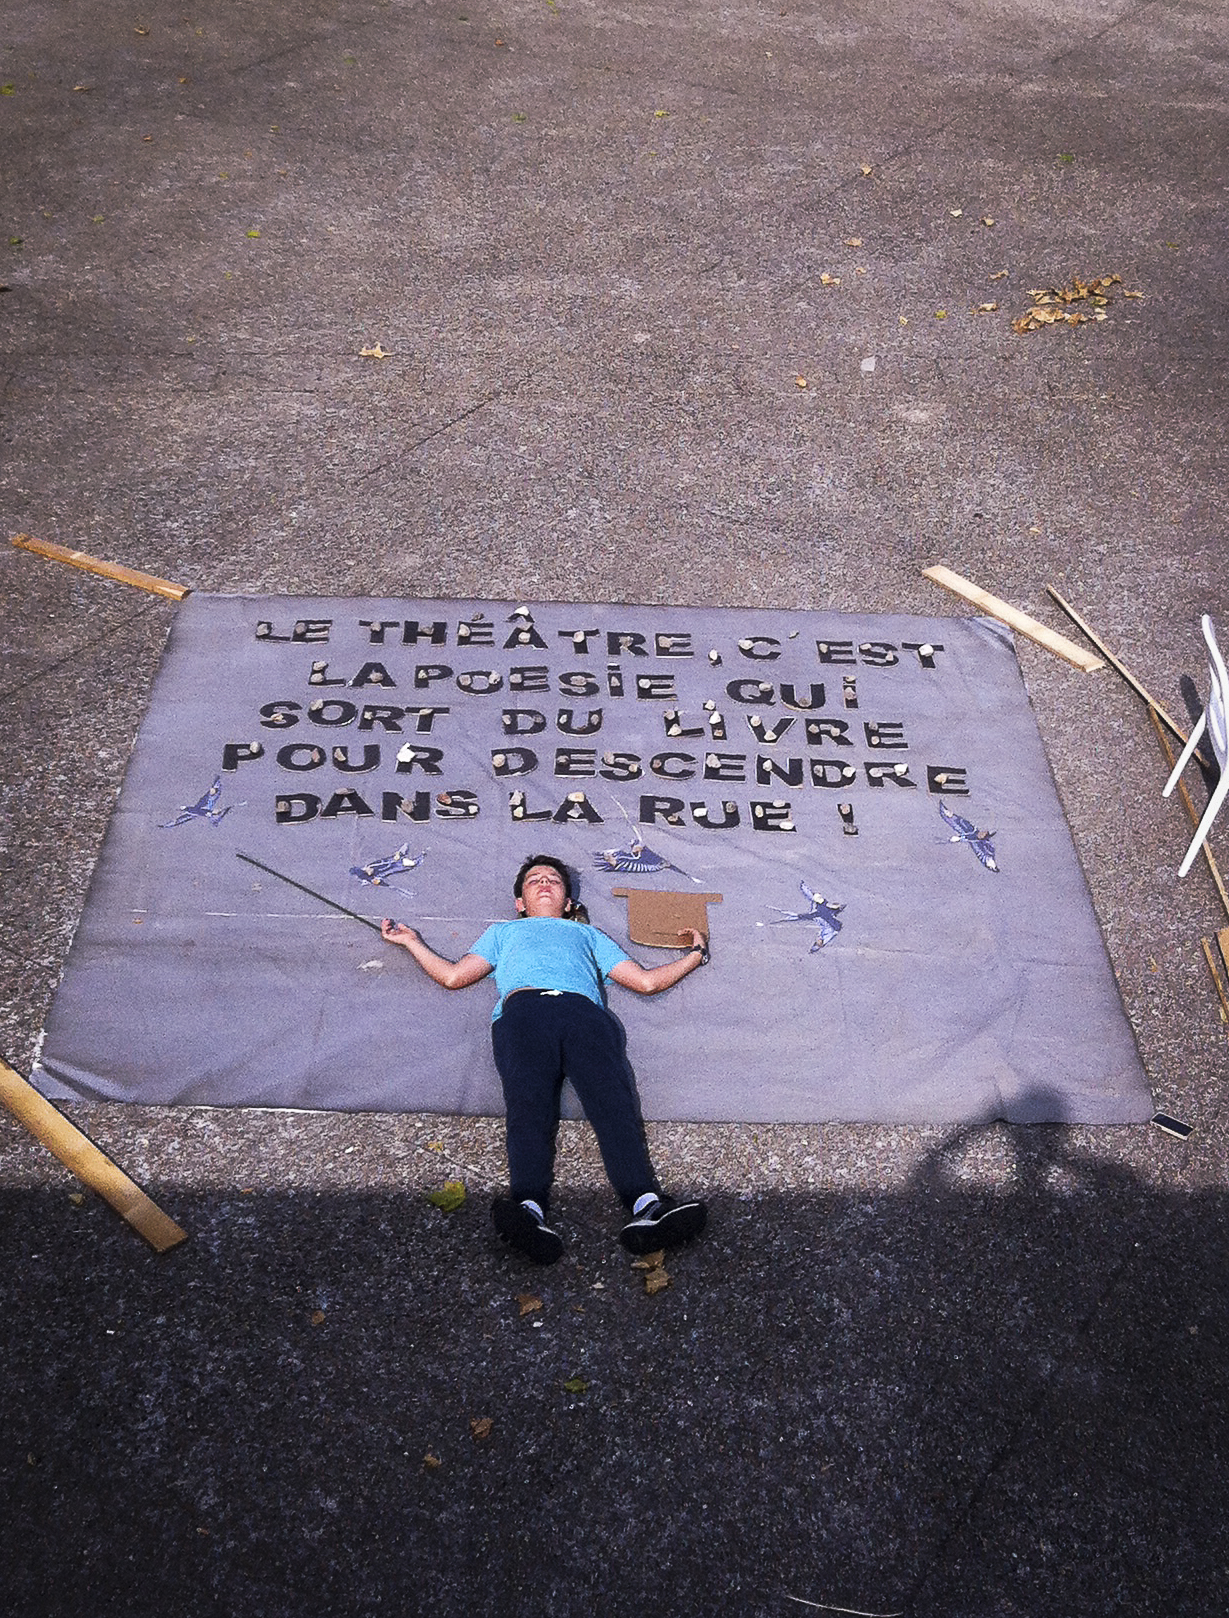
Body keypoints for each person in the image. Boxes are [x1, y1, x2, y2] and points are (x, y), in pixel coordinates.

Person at [381, 853, 709, 1265]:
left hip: (584, 1017)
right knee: (528, 1107)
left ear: (568, 902)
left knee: (613, 1105)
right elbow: (453, 976)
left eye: (553, 879)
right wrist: (411, 942)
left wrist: (696, 953)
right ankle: (528, 1210)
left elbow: (644, 982)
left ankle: (648, 1206)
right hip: (524, 1014)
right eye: (534, 879)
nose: (544, 883)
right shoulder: (503, 933)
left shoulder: (587, 935)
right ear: (519, 902)